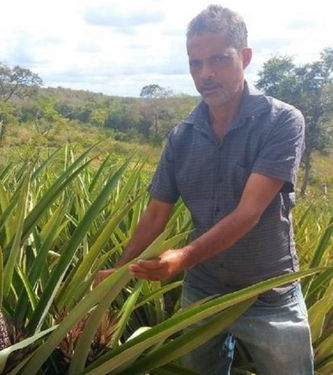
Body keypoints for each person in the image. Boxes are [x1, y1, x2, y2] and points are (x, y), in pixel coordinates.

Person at [95, 5, 313, 375]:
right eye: (195, 63)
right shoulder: (182, 136)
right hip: (203, 288)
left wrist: (181, 258)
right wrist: (116, 272)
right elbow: (155, 215)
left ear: (244, 57)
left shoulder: (281, 121)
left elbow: (249, 213)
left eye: (218, 60)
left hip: (268, 294)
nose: (205, 74)